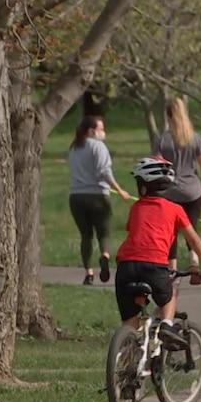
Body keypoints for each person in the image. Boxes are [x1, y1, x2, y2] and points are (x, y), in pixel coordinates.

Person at [115, 156, 201, 349]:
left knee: (131, 324)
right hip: (154, 266)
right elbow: (194, 239)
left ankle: (127, 370)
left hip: (125, 267)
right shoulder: (175, 209)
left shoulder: (136, 207)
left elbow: (133, 232)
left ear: (143, 188)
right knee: (170, 293)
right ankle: (166, 325)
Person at [151, 97, 201, 284]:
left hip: (169, 192)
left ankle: (172, 270)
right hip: (192, 190)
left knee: (170, 231)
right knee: (191, 228)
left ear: (168, 115)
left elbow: (156, 165)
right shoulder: (195, 138)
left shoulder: (162, 139)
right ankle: (193, 261)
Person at [68, 115, 131, 286]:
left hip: (76, 197)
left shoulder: (74, 147)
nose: (103, 132)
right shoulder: (98, 147)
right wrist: (120, 190)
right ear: (91, 130)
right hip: (97, 195)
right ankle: (105, 255)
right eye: (101, 129)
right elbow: (104, 171)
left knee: (85, 236)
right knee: (103, 233)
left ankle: (88, 272)